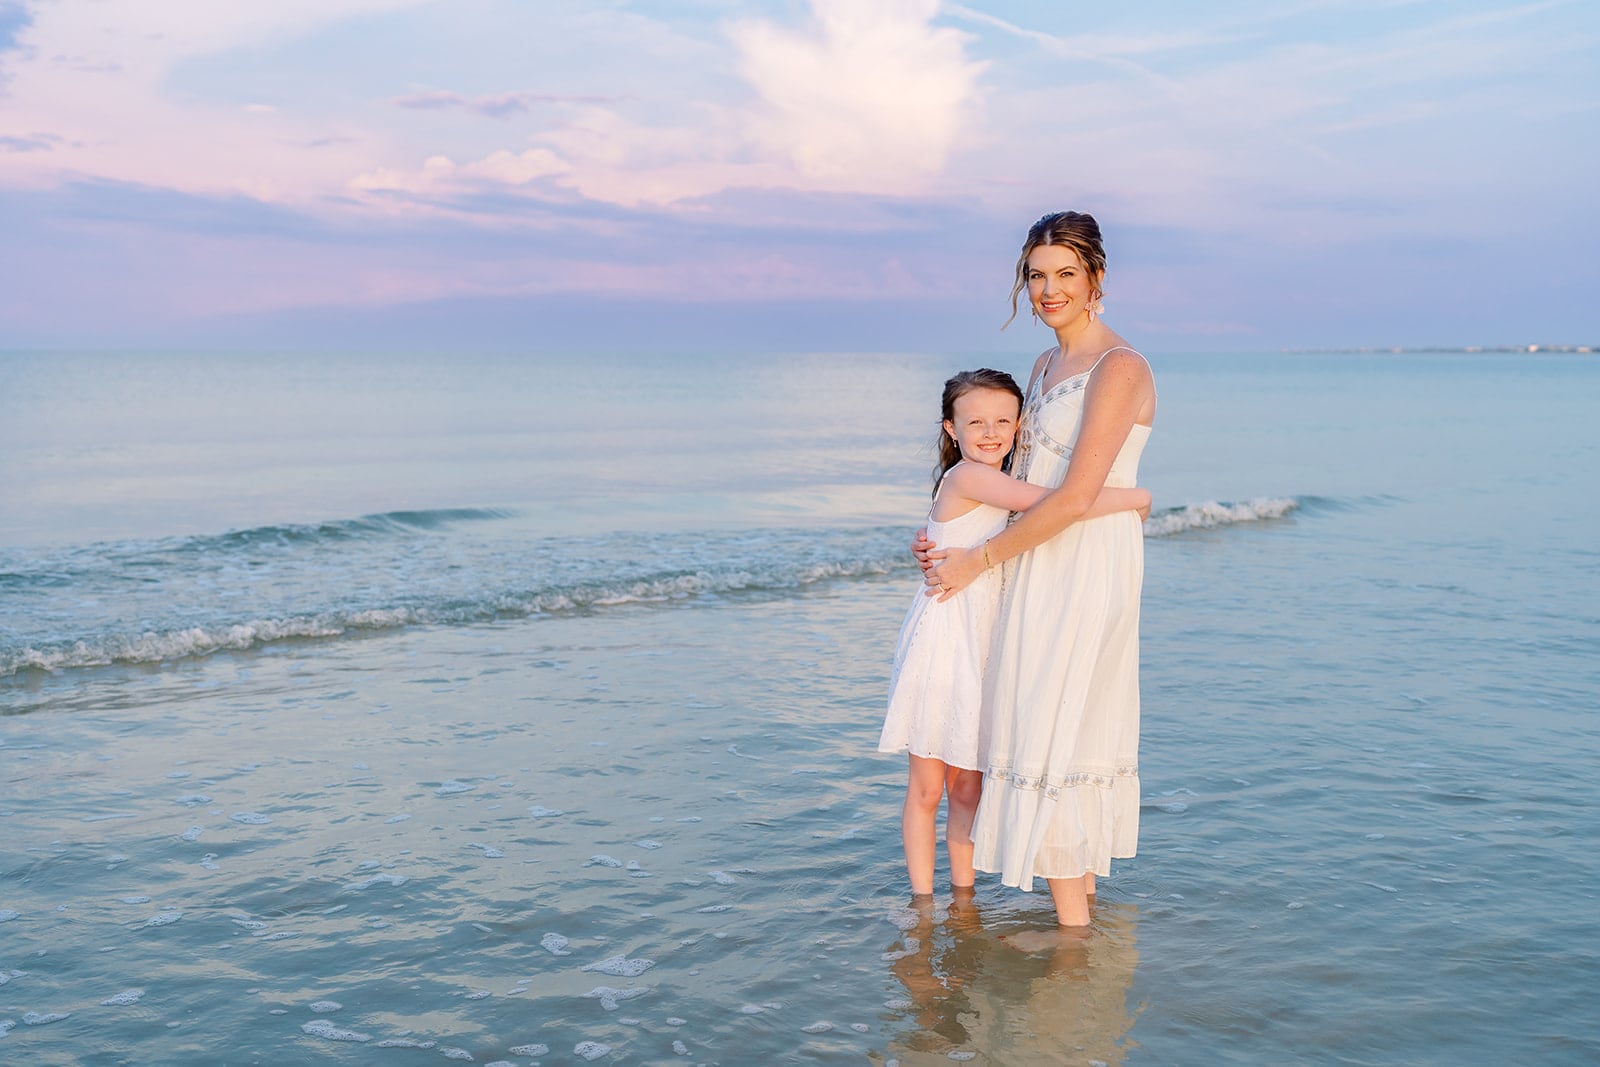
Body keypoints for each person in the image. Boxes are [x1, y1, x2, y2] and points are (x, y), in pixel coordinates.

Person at [925, 210, 1157, 928]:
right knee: (1052, 723)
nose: (1048, 289)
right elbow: (1017, 481)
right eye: (1036, 275)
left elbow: (1078, 496)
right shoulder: (1045, 365)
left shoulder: (1120, 367)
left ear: (1097, 280)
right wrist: (945, 534)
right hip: (1038, 557)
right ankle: (1078, 923)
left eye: (1065, 274)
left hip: (1085, 567)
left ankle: (1073, 948)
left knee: (1064, 727)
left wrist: (978, 560)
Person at [881, 368, 1150, 898]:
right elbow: (1059, 503)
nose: (990, 432)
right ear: (951, 429)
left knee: (968, 788)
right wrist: (1135, 497)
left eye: (1003, 420)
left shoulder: (993, 478)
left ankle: (962, 898)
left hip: (984, 641)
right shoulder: (968, 476)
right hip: (946, 639)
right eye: (975, 421)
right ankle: (922, 902)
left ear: (1020, 425)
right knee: (929, 788)